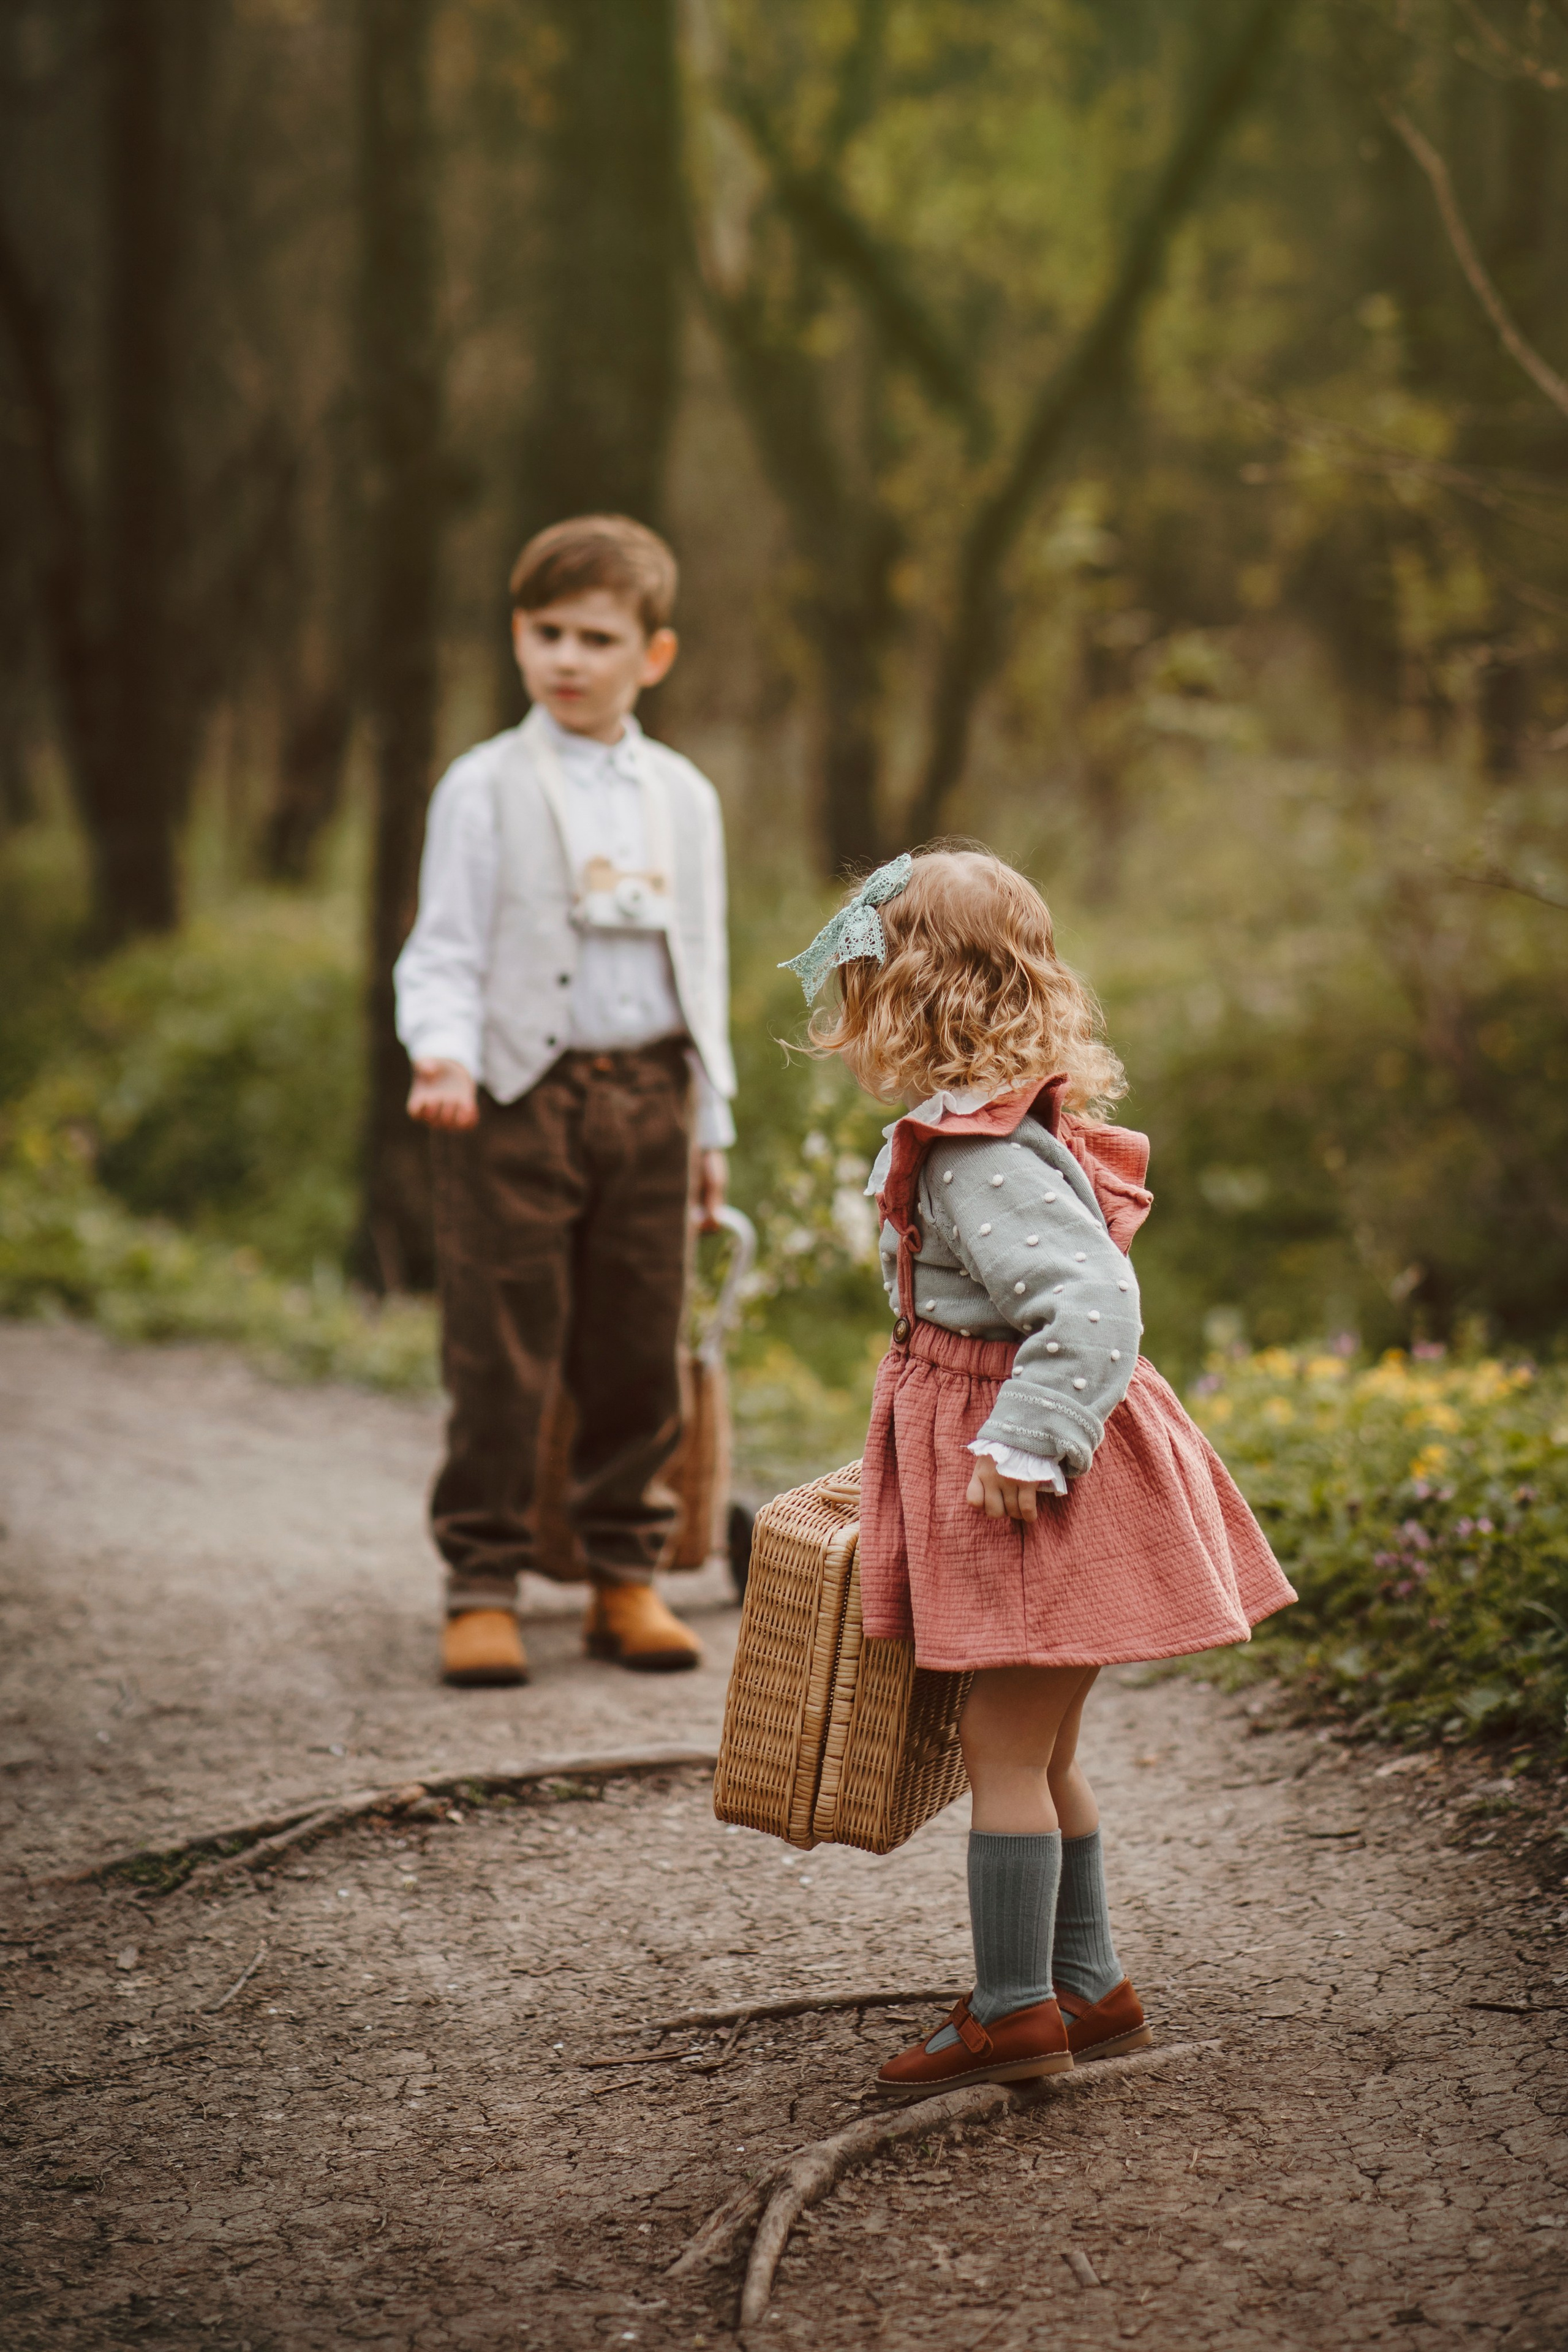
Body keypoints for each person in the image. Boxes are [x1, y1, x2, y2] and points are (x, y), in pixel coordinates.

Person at [781, 846, 1295, 2090]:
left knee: (1000, 1750)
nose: (844, 1033)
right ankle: (1087, 1983)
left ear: (910, 1002)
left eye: (854, 1001)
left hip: (1023, 1486)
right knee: (1040, 1747)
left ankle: (1012, 2011)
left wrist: (1023, 1438)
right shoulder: (989, 1128)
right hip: (1018, 1463)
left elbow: (1091, 1304)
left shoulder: (977, 1156)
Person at [394, 514, 736, 1687]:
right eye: (547, 633)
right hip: (512, 1097)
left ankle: (622, 1577)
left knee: (637, 1342)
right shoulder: (482, 786)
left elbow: (705, 962)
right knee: (500, 1348)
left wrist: (712, 1130)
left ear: (653, 655)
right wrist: (441, 1054)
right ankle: (481, 1581)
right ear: (517, 638)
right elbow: (441, 945)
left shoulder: (686, 797)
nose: (568, 658)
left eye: (598, 637)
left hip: (652, 1094)